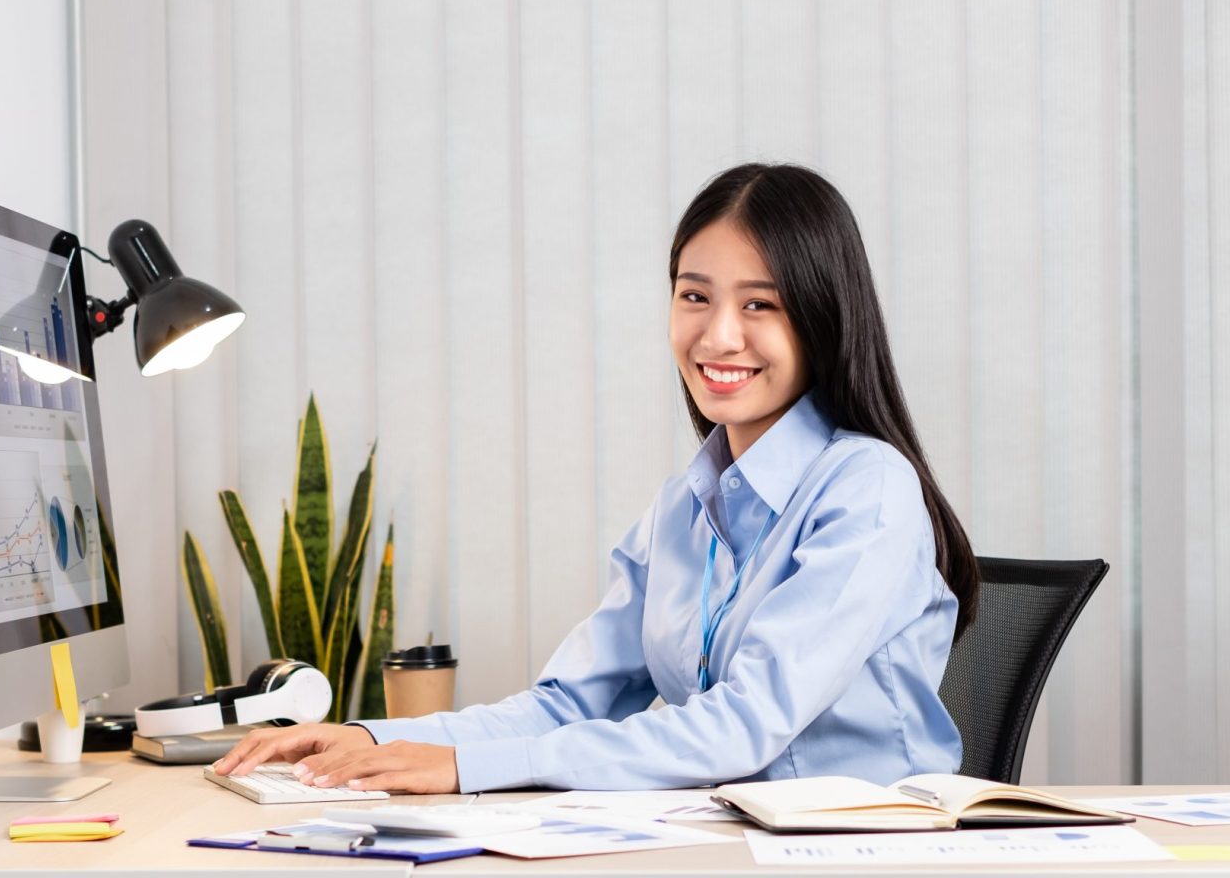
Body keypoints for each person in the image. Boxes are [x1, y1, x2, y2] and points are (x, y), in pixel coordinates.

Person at [214, 162, 979, 794]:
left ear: (822, 318)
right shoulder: (684, 507)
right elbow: (569, 705)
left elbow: (746, 726)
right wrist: (366, 737)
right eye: (694, 296)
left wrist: (463, 769)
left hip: (865, 851)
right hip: (720, 841)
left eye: (761, 305)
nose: (718, 335)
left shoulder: (867, 487)